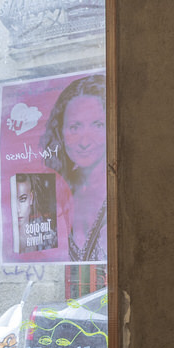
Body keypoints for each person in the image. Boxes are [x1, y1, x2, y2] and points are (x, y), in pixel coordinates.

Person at [43, 73, 107, 262]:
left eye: (97, 125)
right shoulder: (53, 192)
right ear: (60, 132)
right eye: (74, 127)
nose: (85, 141)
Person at [13, 171, 58, 255]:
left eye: (22, 199)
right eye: (11, 200)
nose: (17, 210)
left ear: (31, 198)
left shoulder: (48, 239)